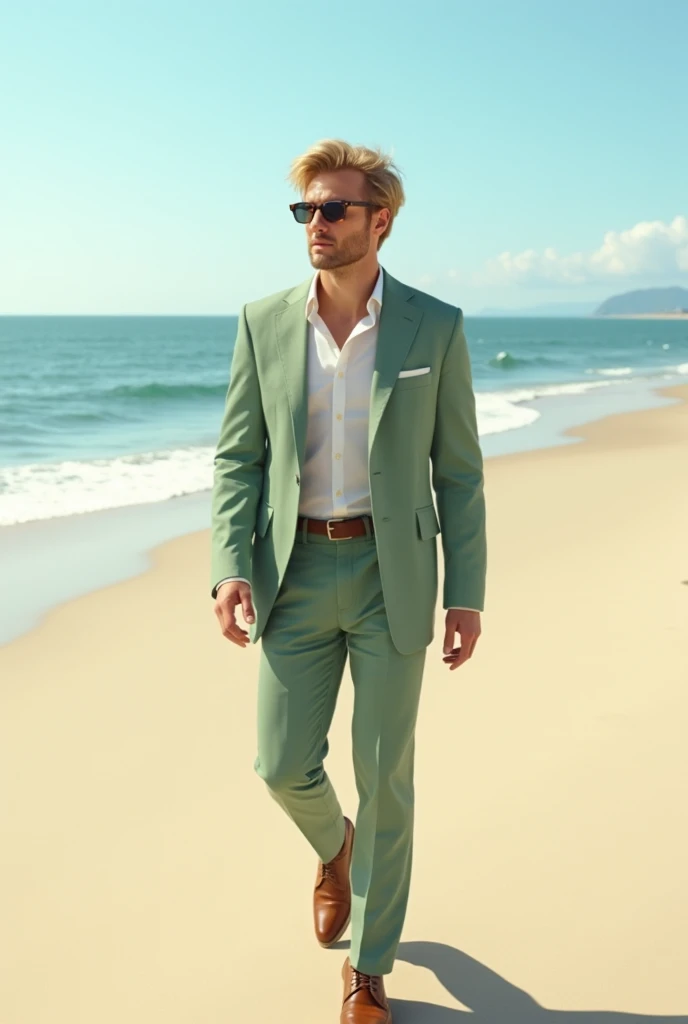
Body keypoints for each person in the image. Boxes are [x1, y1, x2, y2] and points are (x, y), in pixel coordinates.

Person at [210, 139, 487, 1023]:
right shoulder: (263, 322)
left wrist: (467, 591)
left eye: (334, 210)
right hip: (291, 570)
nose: (317, 226)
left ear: (382, 221)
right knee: (281, 763)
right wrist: (227, 565)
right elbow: (238, 457)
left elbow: (461, 471)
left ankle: (369, 967)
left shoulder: (433, 327)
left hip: (390, 570)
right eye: (307, 211)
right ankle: (336, 850)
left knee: (386, 771)